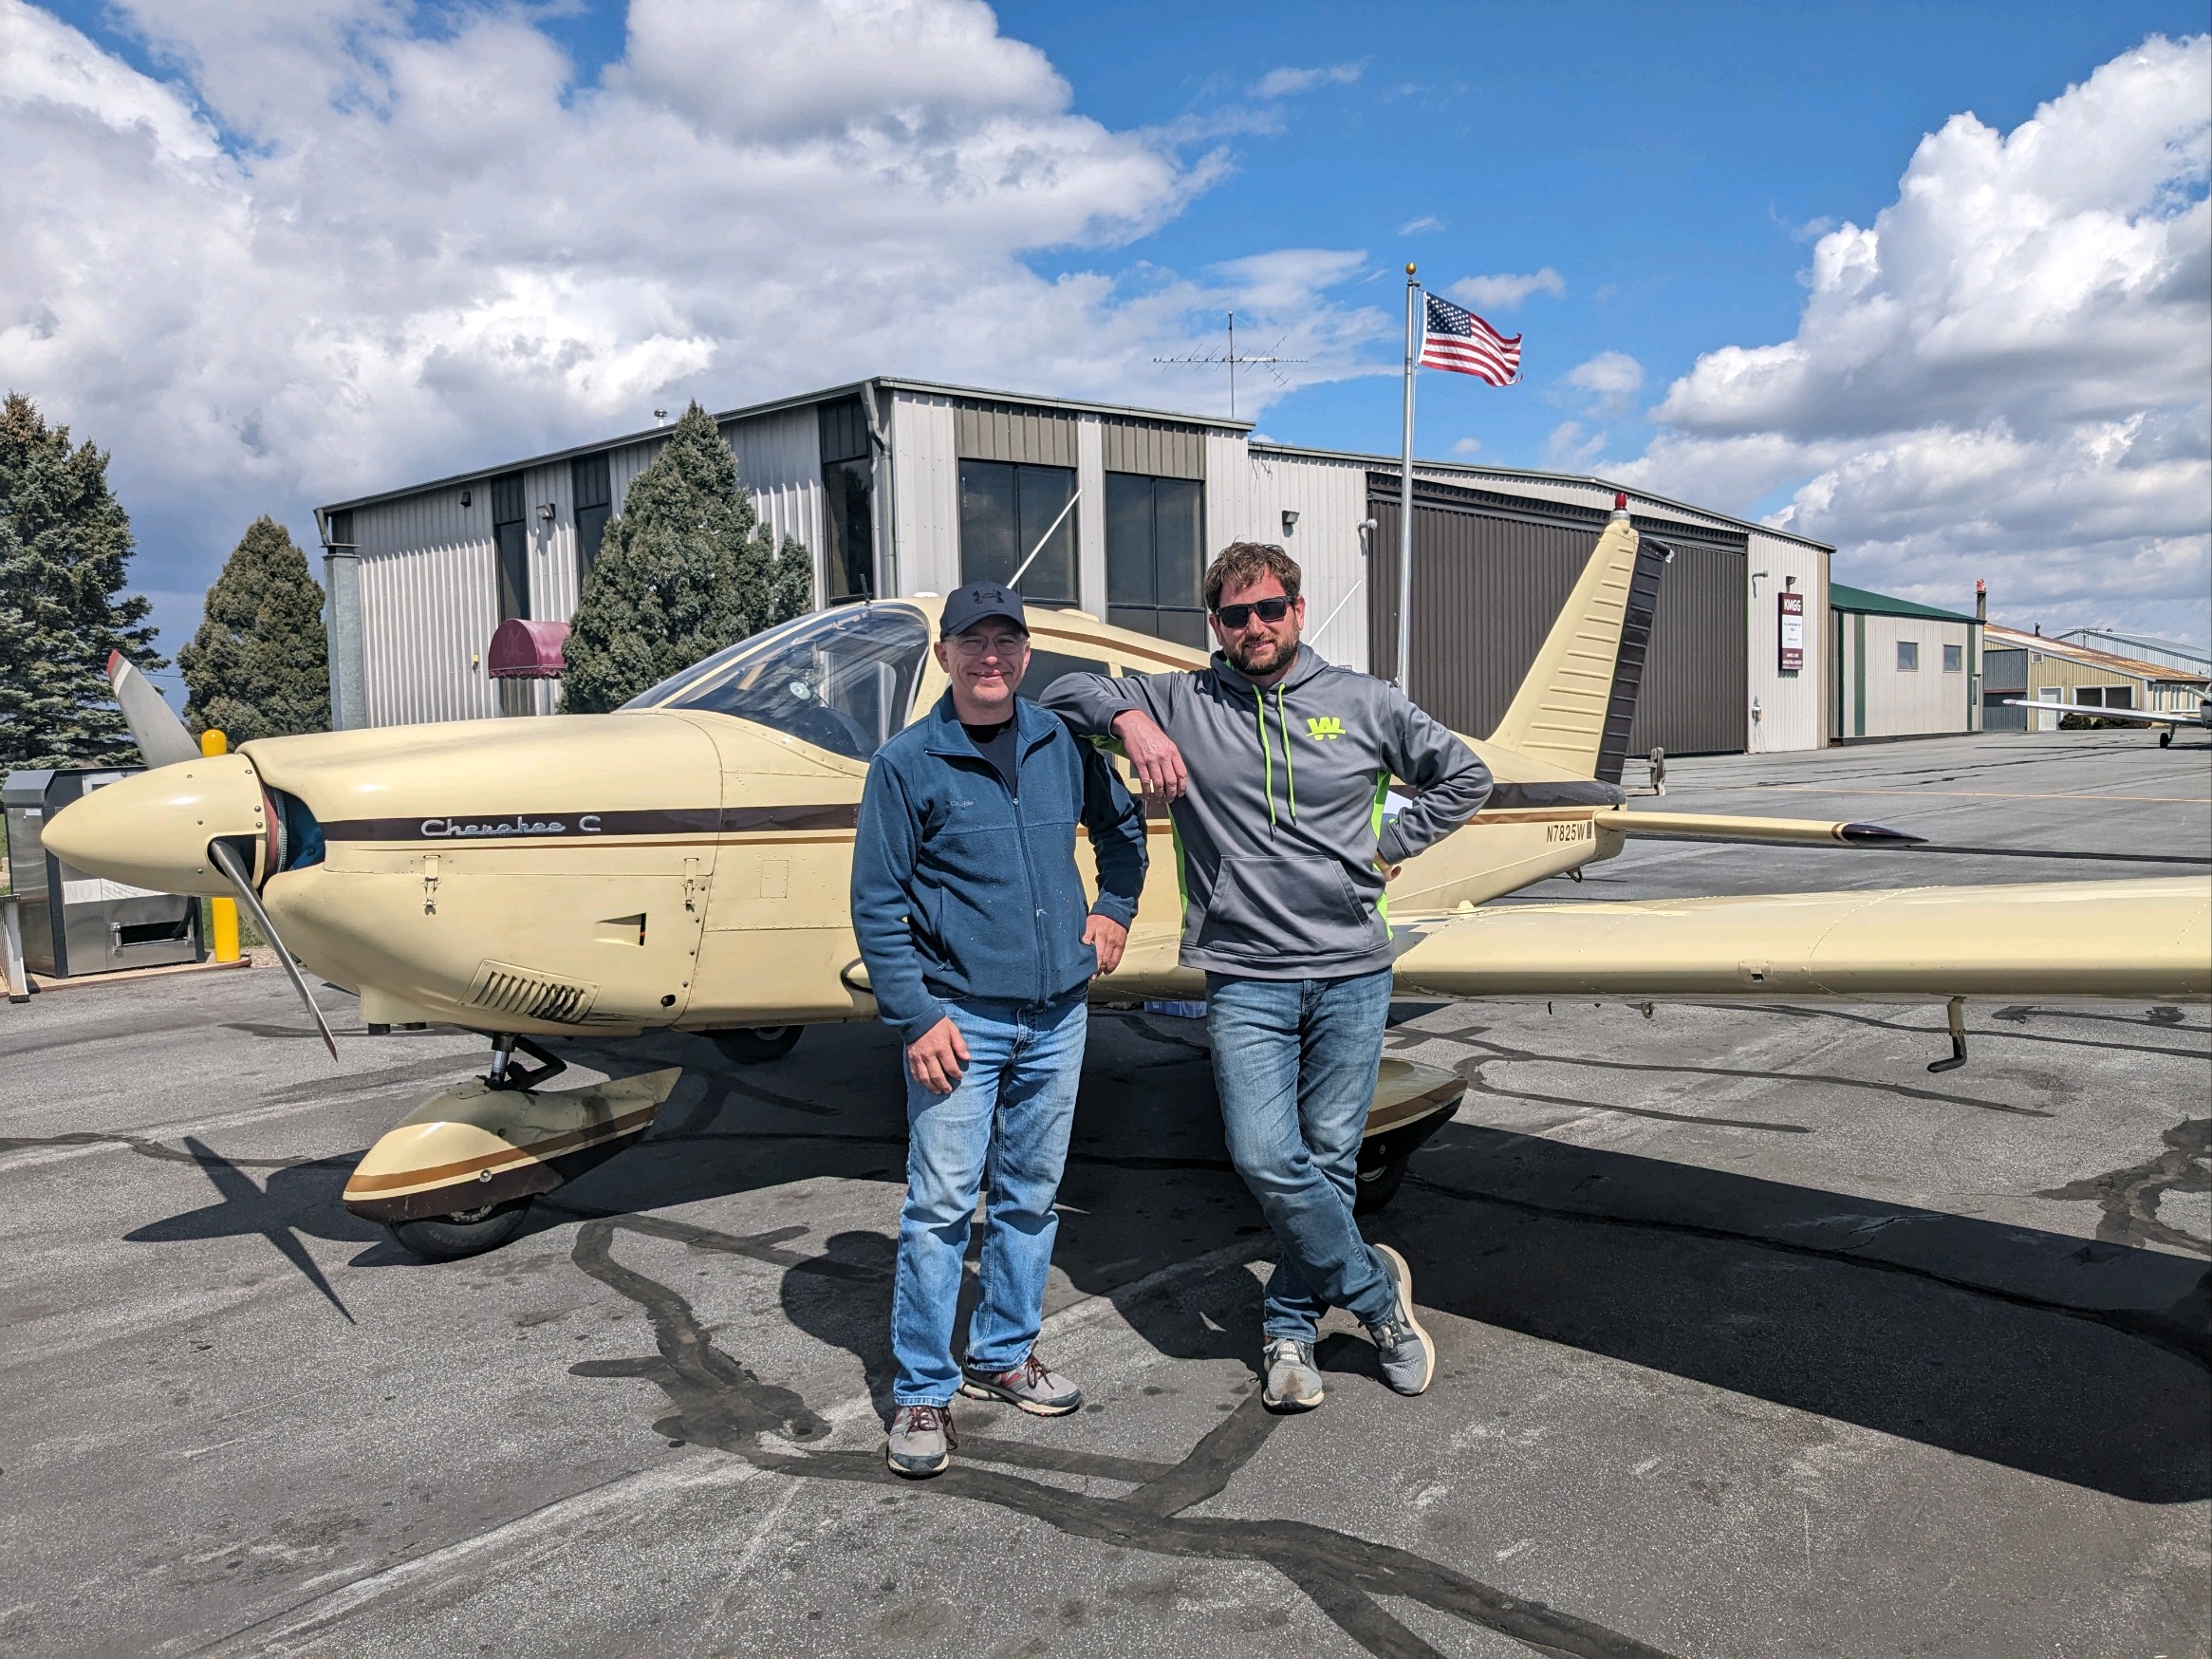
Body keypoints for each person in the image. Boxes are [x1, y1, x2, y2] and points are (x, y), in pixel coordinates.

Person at [1043, 542, 1491, 1411]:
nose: (1254, 626)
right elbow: (1063, 694)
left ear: (1296, 610)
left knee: (1327, 1159)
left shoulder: (1362, 700)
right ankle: (1376, 1297)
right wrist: (1131, 721)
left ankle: (1288, 1324)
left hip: (1352, 969)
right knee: (1260, 1153)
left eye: (1270, 609)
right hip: (1245, 973)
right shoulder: (1180, 700)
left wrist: (1386, 847)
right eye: (1235, 615)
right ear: (1215, 624)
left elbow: (1463, 777)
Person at [851, 580, 1148, 1477]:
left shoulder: (1061, 743)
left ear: (1024, 653)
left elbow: (1122, 830)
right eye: (973, 642)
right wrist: (917, 1017)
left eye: (1005, 641)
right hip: (959, 1020)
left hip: (1058, 1013)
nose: (991, 657)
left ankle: (1004, 1353)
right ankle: (921, 1392)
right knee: (940, 1208)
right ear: (944, 655)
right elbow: (877, 906)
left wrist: (1114, 910)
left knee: (1027, 1196)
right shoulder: (906, 763)